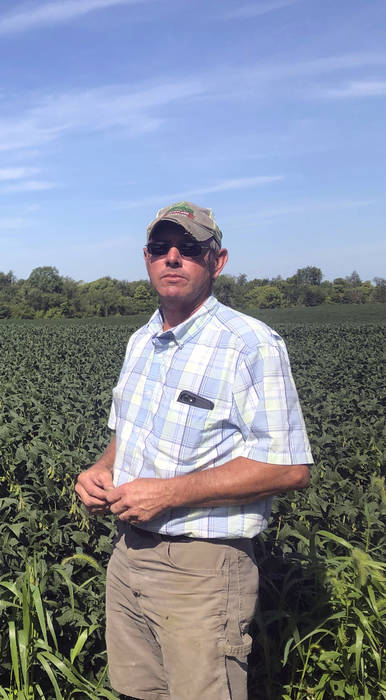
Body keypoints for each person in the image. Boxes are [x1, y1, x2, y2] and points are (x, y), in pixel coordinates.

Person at [74, 201, 313, 700]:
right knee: (135, 692)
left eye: (190, 249)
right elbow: (126, 434)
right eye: (161, 249)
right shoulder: (142, 340)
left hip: (202, 570)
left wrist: (169, 495)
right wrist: (100, 469)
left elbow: (289, 468)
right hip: (128, 554)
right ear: (146, 258)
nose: (173, 258)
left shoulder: (250, 345)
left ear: (217, 260)